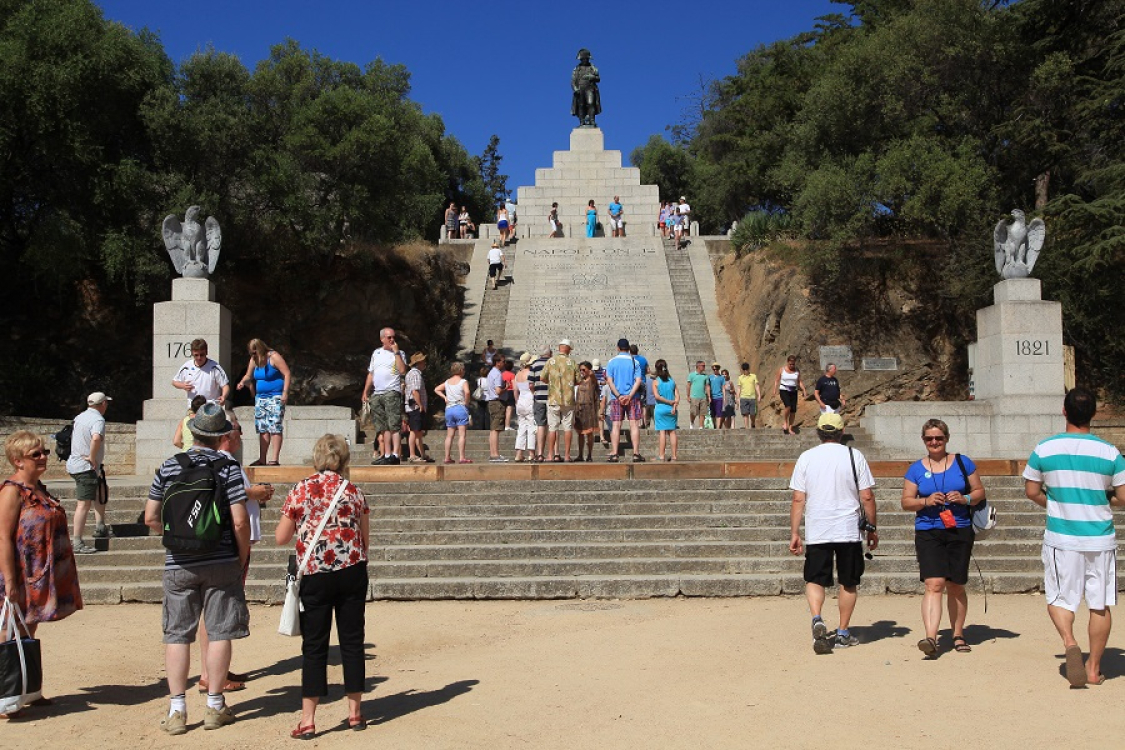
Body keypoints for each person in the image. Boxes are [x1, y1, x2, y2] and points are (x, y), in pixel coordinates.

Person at [145, 402, 250, 734]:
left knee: (177, 635)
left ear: (193, 432)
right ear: (222, 435)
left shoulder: (169, 466)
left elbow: (150, 517)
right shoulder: (229, 467)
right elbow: (239, 520)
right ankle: (215, 706)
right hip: (220, 560)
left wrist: (177, 535)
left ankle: (177, 710)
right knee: (219, 631)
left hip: (179, 561)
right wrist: (241, 555)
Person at [1024, 387, 1125, 688]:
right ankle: (1094, 668)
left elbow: (1031, 491)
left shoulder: (1045, 449)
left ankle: (1070, 641)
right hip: (1100, 538)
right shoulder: (1111, 452)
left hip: (1063, 537)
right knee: (1100, 604)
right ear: (1094, 414)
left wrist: (1054, 504)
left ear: (1064, 411)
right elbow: (1123, 495)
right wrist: (1103, 501)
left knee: (1059, 599)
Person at [276, 434, 370, 738]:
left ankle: (308, 719)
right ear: (343, 459)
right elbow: (365, 538)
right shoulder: (354, 491)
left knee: (314, 646)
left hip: (316, 571)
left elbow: (281, 537)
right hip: (352, 569)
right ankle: (355, 713)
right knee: (352, 641)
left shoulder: (301, 489)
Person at [0, 431, 83, 714]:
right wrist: (10, 581)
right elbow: (3, 537)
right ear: (17, 461)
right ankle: (5, 694)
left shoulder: (39, 488)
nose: (44, 457)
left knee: (28, 626)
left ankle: (28, 689)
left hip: (39, 572)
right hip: (20, 573)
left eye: (44, 452)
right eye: (35, 454)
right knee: (8, 630)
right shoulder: (11, 491)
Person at [789, 412, 878, 654]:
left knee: (815, 578)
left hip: (819, 528)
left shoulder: (806, 457)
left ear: (819, 432)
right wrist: (872, 527)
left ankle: (817, 618)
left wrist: (795, 532)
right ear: (841, 432)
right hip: (848, 529)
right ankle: (842, 632)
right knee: (848, 582)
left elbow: (798, 498)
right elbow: (867, 495)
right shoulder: (854, 455)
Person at [900, 419, 986, 658]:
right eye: (929, 439)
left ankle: (958, 634)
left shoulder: (962, 462)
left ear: (946, 438)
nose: (934, 442)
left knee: (956, 585)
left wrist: (965, 499)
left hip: (959, 528)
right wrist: (925, 501)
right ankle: (930, 637)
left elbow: (979, 492)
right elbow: (906, 501)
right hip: (928, 529)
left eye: (938, 438)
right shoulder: (916, 469)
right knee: (933, 583)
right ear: (923, 441)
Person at [66, 392, 111, 554]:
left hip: (76, 464)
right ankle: (77, 541)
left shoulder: (80, 417)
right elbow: (96, 438)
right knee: (83, 504)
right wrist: (92, 457)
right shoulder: (98, 419)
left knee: (101, 489)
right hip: (86, 467)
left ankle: (100, 526)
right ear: (103, 404)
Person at [235, 339, 291, 466]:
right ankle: (262, 459)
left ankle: (274, 459)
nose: (253, 355)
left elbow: (287, 373)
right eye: (251, 353)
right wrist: (243, 382)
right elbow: (248, 375)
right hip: (261, 397)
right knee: (263, 427)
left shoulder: (274, 357)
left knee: (275, 426)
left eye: (255, 352)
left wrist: (285, 392)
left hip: (275, 396)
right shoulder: (254, 360)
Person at [362, 327, 408, 465]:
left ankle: (395, 454)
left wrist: (396, 352)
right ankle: (386, 454)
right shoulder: (376, 353)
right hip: (378, 392)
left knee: (394, 424)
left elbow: (402, 370)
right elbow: (371, 373)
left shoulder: (400, 353)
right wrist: (365, 391)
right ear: (382, 339)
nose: (392, 339)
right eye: (389, 337)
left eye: (393, 337)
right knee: (383, 427)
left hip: (391, 391)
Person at [605, 338, 644, 463]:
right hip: (633, 397)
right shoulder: (634, 361)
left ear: (618, 348)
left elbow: (609, 381)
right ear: (628, 348)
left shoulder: (611, 362)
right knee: (634, 425)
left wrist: (618, 395)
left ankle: (615, 453)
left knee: (616, 425)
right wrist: (630, 395)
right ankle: (636, 453)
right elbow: (638, 380)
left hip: (617, 398)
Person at [542, 339, 579, 462]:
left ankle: (550, 455)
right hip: (568, 399)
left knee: (552, 427)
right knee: (567, 427)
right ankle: (567, 455)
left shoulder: (550, 361)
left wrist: (552, 383)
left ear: (559, 348)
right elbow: (578, 380)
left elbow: (542, 377)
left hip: (553, 398)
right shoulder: (572, 362)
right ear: (569, 349)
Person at [172, 338, 230, 406]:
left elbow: (225, 386)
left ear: (206, 352)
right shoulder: (187, 367)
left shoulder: (214, 367)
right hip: (193, 407)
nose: (199, 358)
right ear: (192, 353)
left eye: (202, 355)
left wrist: (223, 396)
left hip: (210, 406)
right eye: (196, 355)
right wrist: (183, 386)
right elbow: (174, 382)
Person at [435, 362, 472, 464]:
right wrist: (466, 402)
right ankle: (462, 457)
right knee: (462, 434)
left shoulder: (447, 382)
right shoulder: (463, 381)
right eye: (463, 369)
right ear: (460, 371)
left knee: (449, 435)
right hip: (460, 407)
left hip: (449, 409)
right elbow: (467, 392)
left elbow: (437, 389)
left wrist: (445, 397)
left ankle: (447, 457)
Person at [404, 352, 431, 463]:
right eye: (423, 361)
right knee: (414, 431)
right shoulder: (415, 374)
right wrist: (420, 405)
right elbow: (415, 391)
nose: (425, 363)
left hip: (413, 406)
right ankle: (412, 454)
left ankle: (422, 454)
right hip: (415, 407)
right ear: (419, 363)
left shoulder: (412, 374)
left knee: (418, 431)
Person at [650, 360, 680, 462]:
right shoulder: (672, 381)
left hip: (660, 408)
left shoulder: (655, 381)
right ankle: (674, 456)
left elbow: (657, 396)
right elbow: (677, 397)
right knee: (672, 432)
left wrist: (668, 401)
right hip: (671, 410)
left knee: (662, 432)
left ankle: (661, 455)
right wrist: (674, 406)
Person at [528, 347, 551, 462]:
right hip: (552, 398)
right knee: (552, 425)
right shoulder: (553, 363)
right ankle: (553, 453)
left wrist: (535, 393)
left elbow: (531, 384)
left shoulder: (535, 364)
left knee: (540, 425)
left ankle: (540, 453)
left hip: (539, 398)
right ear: (550, 353)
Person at [574, 361, 600, 462]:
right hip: (579, 409)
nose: (582, 372)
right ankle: (580, 454)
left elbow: (593, 378)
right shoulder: (579, 381)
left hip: (589, 409)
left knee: (589, 434)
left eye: (583, 370)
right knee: (580, 433)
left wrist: (590, 373)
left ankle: (589, 454)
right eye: (580, 370)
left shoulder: (592, 380)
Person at [513, 353, 536, 462]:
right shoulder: (531, 373)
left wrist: (517, 401)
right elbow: (532, 387)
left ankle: (519, 453)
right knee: (532, 427)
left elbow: (515, 390)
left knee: (521, 428)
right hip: (529, 400)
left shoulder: (518, 374)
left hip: (520, 401)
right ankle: (531, 453)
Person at [774, 355, 806, 435]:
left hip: (793, 390)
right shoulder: (782, 370)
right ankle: (785, 422)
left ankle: (790, 428)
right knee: (788, 406)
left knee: (793, 410)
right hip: (784, 389)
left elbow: (799, 381)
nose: (792, 366)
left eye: (793, 364)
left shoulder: (797, 371)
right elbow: (776, 380)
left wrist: (804, 390)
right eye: (790, 364)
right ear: (787, 362)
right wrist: (774, 390)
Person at [485, 355, 508, 462]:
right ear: (497, 362)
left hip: (491, 402)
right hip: (497, 402)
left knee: (493, 428)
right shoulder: (497, 374)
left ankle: (493, 453)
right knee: (496, 429)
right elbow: (498, 391)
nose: (504, 363)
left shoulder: (491, 373)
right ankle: (495, 454)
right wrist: (506, 388)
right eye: (503, 361)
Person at [629, 344, 651, 428]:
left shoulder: (630, 359)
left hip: (633, 383)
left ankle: (637, 423)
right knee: (643, 404)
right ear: (637, 350)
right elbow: (648, 370)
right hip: (643, 382)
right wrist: (643, 373)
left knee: (634, 403)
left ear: (630, 351)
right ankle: (644, 423)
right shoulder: (643, 359)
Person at [737, 363, 762, 429]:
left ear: (748, 369)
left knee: (752, 414)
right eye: (744, 370)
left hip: (752, 397)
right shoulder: (740, 378)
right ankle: (747, 428)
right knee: (745, 414)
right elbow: (739, 388)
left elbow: (756, 386)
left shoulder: (753, 376)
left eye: (746, 369)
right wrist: (737, 397)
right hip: (743, 397)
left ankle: (753, 423)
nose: (746, 371)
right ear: (743, 370)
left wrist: (759, 395)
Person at [686, 361, 710, 429]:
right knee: (693, 412)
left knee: (703, 412)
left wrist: (709, 396)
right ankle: (692, 422)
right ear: (698, 366)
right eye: (703, 365)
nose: (704, 367)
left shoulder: (705, 376)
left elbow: (707, 386)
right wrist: (688, 395)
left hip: (703, 397)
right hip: (694, 396)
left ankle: (701, 426)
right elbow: (688, 385)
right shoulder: (692, 375)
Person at [708, 363, 726, 428]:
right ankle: (715, 425)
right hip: (712, 397)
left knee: (719, 413)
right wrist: (709, 396)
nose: (715, 370)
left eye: (716, 369)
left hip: (719, 397)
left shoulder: (722, 378)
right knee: (712, 414)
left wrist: (724, 398)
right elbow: (708, 387)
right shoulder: (710, 377)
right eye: (714, 369)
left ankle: (718, 428)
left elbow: (723, 388)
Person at [501, 359, 516, 431]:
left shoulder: (502, 374)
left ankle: (502, 425)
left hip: (502, 392)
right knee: (509, 409)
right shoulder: (512, 375)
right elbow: (514, 385)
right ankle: (507, 425)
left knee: (503, 409)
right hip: (510, 392)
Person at [475, 365, 491, 431]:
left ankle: (481, 427)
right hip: (488, 397)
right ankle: (488, 427)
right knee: (487, 413)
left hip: (480, 397)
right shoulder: (490, 380)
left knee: (481, 413)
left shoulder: (479, 380)